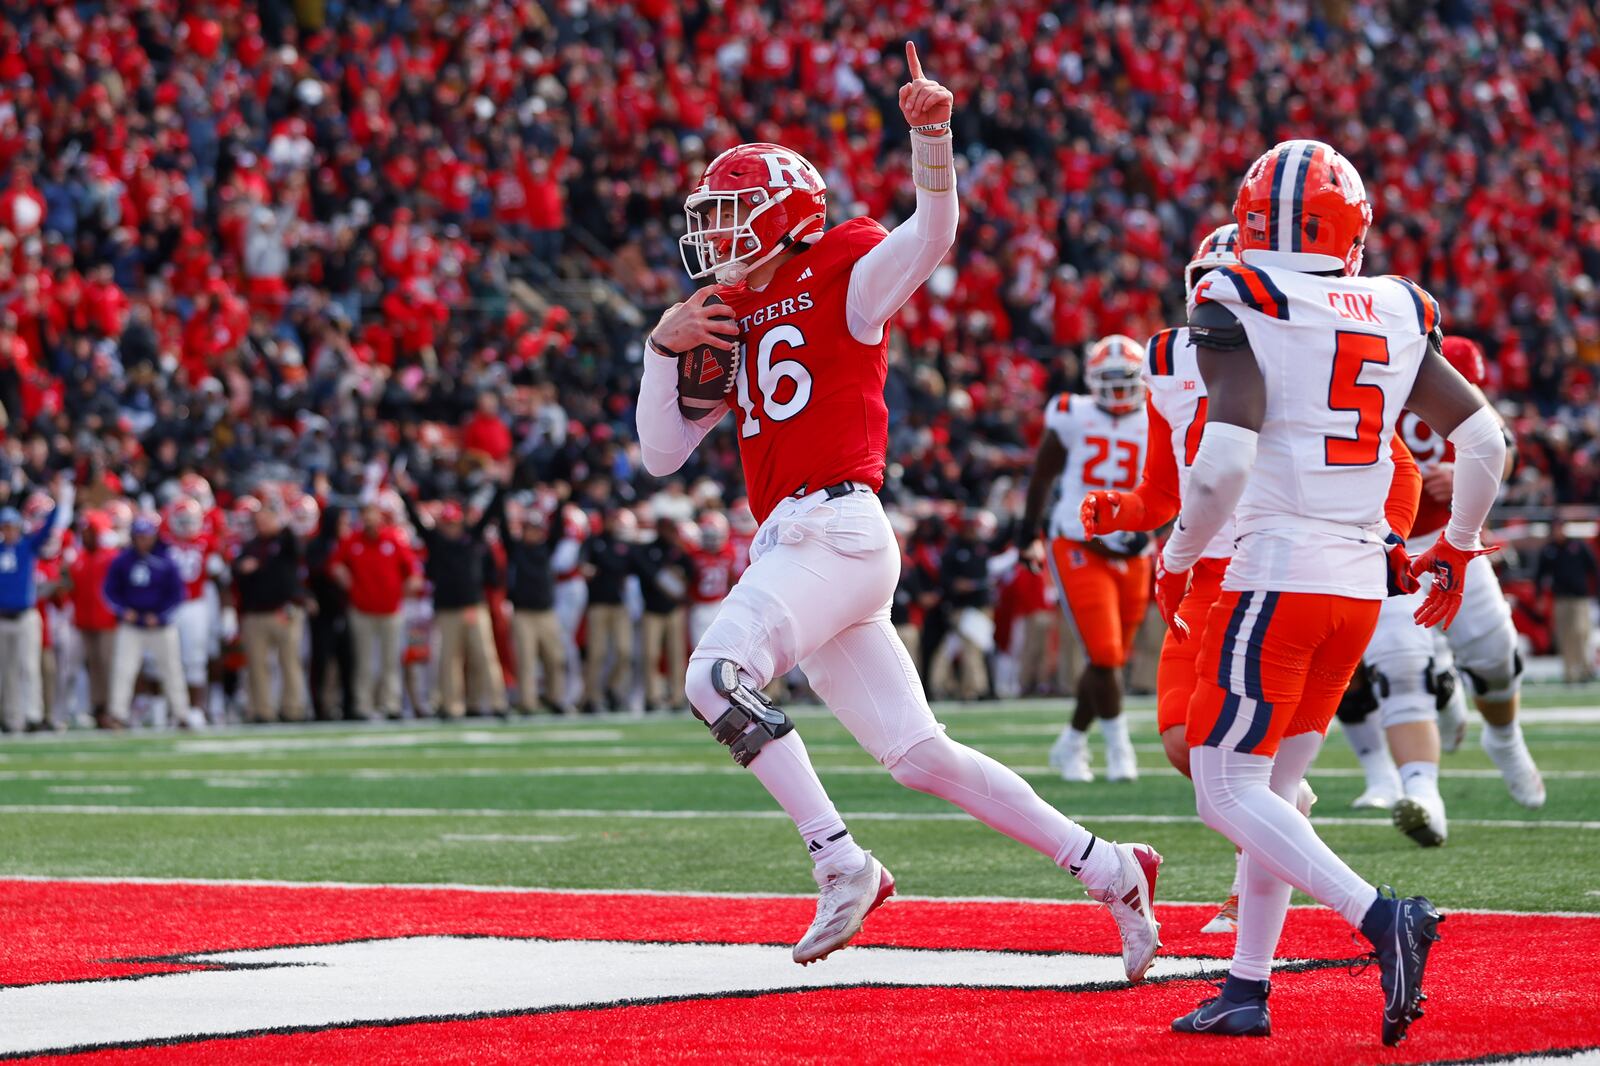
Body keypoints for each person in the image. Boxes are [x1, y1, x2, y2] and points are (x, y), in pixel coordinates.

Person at [634, 44, 1160, 981]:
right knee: (921, 755)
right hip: (801, 541)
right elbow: (661, 452)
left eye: (731, 220)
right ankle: (1111, 869)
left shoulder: (844, 268)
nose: (715, 243)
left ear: (785, 218)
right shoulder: (726, 309)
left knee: (713, 677)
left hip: (833, 527)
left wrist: (932, 139)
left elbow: (932, 233)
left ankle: (841, 862)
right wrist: (657, 352)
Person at [1156, 140, 1498, 1043]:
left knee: (1223, 793)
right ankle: (1246, 987)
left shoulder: (1237, 294)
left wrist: (1179, 554)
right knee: (1268, 794)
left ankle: (1383, 916)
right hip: (1357, 587)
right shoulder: (1394, 303)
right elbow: (1486, 441)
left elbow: (1224, 460)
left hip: (1275, 573)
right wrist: (1456, 547)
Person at [1081, 224, 1421, 930]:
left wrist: (1384, 535)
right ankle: (1286, 832)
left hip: (1270, 569)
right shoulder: (1168, 357)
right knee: (1185, 743)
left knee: (1237, 765)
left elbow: (1403, 468)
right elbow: (1167, 488)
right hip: (1202, 571)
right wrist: (1124, 509)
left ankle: (1259, 906)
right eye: (1207, 276)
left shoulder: (1303, 350)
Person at [1339, 334, 1543, 848]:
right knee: (1399, 666)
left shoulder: (1448, 365)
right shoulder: (1354, 375)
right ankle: (1421, 792)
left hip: (1452, 538)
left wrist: (1465, 471)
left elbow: (1505, 446)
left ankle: (1504, 738)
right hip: (1381, 542)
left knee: (1496, 656)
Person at [1020, 334, 1151, 782]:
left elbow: (1174, 483)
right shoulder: (1072, 413)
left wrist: (1157, 528)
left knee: (1108, 660)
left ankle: (1071, 743)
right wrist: (1026, 534)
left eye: (1126, 380)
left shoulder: (1159, 416)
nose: (1117, 390)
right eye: (1109, 381)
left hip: (1134, 548)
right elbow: (1042, 477)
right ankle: (1120, 751)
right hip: (1077, 541)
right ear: (1092, 381)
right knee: (1106, 653)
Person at [397, 483, 506, 719]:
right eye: (446, 523)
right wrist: (405, 494)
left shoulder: (473, 538)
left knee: (484, 657)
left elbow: (490, 513)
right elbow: (416, 520)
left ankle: (495, 703)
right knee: (448, 660)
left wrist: (501, 489)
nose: (450, 528)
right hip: (446, 610)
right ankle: (452, 706)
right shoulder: (436, 542)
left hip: (473, 607)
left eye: (454, 523)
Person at [333, 500, 420, 720]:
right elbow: (335, 564)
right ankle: (363, 705)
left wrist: (405, 589)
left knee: (391, 661)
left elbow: (413, 571)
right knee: (364, 662)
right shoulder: (353, 540)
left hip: (390, 610)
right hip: (362, 610)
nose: (369, 519)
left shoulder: (393, 539)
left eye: (372, 514)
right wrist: (347, 581)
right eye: (365, 515)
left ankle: (391, 704)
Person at [102, 515, 191, 728]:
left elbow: (178, 594)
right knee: (124, 669)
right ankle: (118, 714)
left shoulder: (165, 560)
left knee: (172, 670)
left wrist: (160, 616)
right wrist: (124, 611)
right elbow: (109, 591)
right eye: (139, 536)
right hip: (132, 624)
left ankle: (181, 714)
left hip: (160, 625)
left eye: (147, 536)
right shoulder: (123, 560)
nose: (143, 540)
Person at [0, 478, 72, 733]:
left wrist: (58, 502)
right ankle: (11, 718)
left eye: (12, 527)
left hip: (25, 616)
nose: (9, 531)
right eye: (5, 527)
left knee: (29, 667)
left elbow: (48, 528)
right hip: (3, 619)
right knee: (5, 672)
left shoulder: (26, 547)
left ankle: (33, 714)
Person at [232, 501, 308, 723]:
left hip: (285, 609)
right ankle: (262, 711)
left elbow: (297, 550)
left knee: (290, 661)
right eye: (259, 520)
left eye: (267, 518)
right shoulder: (251, 545)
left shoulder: (286, 540)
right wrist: (242, 567)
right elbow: (236, 569)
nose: (262, 523)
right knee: (257, 665)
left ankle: (293, 709)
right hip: (256, 612)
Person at [498, 500, 569, 715]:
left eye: (537, 529)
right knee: (526, 660)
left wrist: (561, 501)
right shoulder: (516, 549)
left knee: (555, 658)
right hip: (523, 613)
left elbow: (559, 528)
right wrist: (501, 494)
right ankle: (528, 702)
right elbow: (502, 528)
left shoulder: (547, 548)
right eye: (530, 529)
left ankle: (555, 697)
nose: (534, 533)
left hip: (546, 612)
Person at [164, 496, 224, 722]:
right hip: (172, 605)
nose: (187, 525)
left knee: (196, 659)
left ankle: (198, 708)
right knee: (169, 660)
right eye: (182, 520)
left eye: (191, 520)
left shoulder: (207, 541)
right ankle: (173, 709)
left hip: (197, 605)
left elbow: (219, 575)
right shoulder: (165, 542)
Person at [66, 512, 121, 729]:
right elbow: (71, 590)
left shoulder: (110, 557)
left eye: (90, 531)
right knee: (91, 667)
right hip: (84, 621)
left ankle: (111, 709)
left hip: (107, 621)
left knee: (108, 665)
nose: (85, 535)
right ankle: (97, 707)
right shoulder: (78, 558)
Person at [581, 508, 640, 713]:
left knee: (625, 651)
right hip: (598, 604)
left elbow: (628, 567)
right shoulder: (594, 542)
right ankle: (591, 697)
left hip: (619, 604)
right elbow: (586, 567)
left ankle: (612, 689)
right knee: (597, 653)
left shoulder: (623, 544)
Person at [638, 516, 690, 711]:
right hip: (652, 610)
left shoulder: (678, 551)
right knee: (651, 655)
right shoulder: (648, 550)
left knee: (676, 655)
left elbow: (690, 571)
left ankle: (677, 696)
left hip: (673, 610)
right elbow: (647, 573)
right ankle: (653, 696)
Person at [1537, 521, 1598, 683]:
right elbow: (1540, 575)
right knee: (1564, 635)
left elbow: (1593, 569)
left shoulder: (1578, 546)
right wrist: (1540, 596)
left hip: (1580, 598)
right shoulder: (1550, 550)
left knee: (1581, 633)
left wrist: (1596, 592)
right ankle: (1570, 672)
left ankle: (1585, 669)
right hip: (1561, 598)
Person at [686, 511, 736, 648]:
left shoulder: (727, 553)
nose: (713, 541)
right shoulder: (695, 555)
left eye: (715, 536)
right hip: (702, 606)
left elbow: (731, 579)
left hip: (719, 604)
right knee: (701, 648)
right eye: (709, 536)